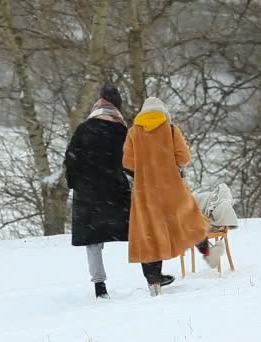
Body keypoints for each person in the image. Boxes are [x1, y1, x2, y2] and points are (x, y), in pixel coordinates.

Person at [123, 97, 209, 296]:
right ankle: (206, 249)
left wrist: (144, 169)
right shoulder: (171, 130)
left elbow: (128, 163)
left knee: (149, 232)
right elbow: (184, 158)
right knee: (188, 216)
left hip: (145, 191)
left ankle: (153, 279)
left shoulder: (133, 132)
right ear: (163, 113)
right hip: (172, 187)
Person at [64, 85, 131, 299]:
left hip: (88, 192)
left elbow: (71, 158)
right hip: (115, 190)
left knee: (93, 240)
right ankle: (152, 275)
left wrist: (75, 183)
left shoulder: (84, 128)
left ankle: (99, 286)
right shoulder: (122, 130)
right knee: (137, 232)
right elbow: (130, 161)